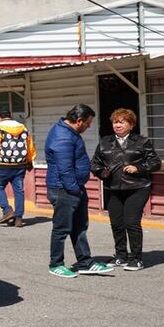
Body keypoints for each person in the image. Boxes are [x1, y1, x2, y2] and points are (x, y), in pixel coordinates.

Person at [44, 104, 112, 277]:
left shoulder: (69, 133)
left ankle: (85, 262)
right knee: (62, 228)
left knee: (80, 227)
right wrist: (74, 189)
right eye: (88, 123)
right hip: (64, 189)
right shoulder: (63, 136)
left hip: (73, 188)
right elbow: (65, 169)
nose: (89, 126)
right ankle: (56, 264)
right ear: (79, 120)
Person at [90, 108, 162, 271]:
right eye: (115, 122)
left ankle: (136, 258)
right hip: (113, 188)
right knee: (116, 223)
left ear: (131, 124)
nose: (117, 125)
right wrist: (101, 172)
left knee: (131, 222)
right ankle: (121, 256)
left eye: (122, 122)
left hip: (137, 188)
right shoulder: (104, 142)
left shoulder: (142, 142)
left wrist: (138, 168)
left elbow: (156, 162)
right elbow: (94, 163)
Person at [0, 109, 35, 227]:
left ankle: (7, 211)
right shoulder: (23, 128)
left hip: (2, 166)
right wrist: (29, 161)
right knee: (19, 191)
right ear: (11, 116)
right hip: (19, 165)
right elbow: (29, 146)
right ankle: (18, 218)